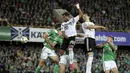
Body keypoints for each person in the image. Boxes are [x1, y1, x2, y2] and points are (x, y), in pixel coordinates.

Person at [59, 3, 83, 73]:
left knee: (70, 48)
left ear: (67, 16)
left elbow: (81, 14)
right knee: (61, 52)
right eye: (62, 17)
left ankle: (71, 65)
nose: (62, 18)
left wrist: (78, 7)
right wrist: (66, 38)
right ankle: (63, 63)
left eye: (63, 17)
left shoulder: (72, 20)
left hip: (72, 37)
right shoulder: (63, 24)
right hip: (66, 38)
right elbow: (63, 33)